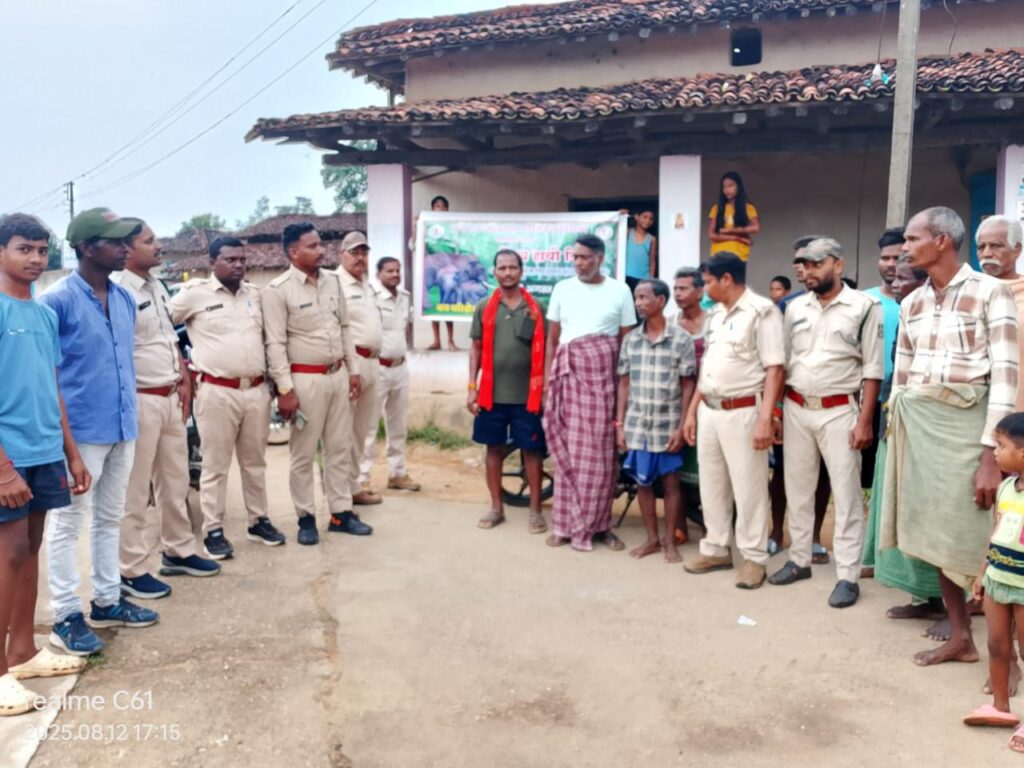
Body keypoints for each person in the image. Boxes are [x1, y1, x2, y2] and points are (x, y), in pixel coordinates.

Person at [881, 206, 1019, 667]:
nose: (905, 248)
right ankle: (962, 637)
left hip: (971, 430)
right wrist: (896, 435)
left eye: (912, 238)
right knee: (937, 533)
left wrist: (990, 455)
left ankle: (1007, 658)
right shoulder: (912, 303)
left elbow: (1005, 374)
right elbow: (902, 379)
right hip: (922, 432)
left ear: (941, 240)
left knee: (984, 540)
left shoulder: (991, 292)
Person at [40, 208, 159, 656]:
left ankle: (108, 600)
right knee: (68, 522)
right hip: (80, 432)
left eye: (128, 241)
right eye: (116, 242)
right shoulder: (56, 302)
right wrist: (66, 444)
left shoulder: (124, 298)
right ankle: (65, 614)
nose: (126, 248)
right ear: (87, 248)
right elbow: (48, 374)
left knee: (110, 517)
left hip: (122, 424)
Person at [0, 214, 89, 714]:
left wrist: (71, 453)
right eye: (24, 249)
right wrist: (4, 470)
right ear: (0, 253)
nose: (35, 259)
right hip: (7, 456)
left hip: (45, 451)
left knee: (30, 550)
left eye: (41, 250)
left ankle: (22, 651)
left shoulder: (43, 315)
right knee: (8, 554)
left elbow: (52, 388)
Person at [767, 238, 883, 608]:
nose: (809, 271)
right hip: (797, 407)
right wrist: (776, 412)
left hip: (839, 410)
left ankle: (848, 575)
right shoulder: (794, 307)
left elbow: (873, 370)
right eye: (805, 265)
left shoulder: (865, 307)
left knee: (846, 495)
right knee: (798, 487)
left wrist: (865, 421)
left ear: (838, 264)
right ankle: (799, 560)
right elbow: (783, 363)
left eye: (817, 264)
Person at [113, 220, 219, 597]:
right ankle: (129, 569)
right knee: (135, 489)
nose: (158, 245)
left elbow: (168, 338)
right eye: (149, 241)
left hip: (171, 395)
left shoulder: (157, 286)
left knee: (175, 480)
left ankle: (178, 550)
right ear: (126, 249)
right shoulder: (118, 290)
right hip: (140, 398)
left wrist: (184, 378)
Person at [169, 236, 286, 560]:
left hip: (256, 391)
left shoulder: (256, 296)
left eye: (242, 259)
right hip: (216, 391)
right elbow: (160, 327)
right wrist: (180, 365)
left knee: (255, 463)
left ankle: (258, 521)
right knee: (215, 466)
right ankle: (213, 530)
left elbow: (271, 340)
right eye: (230, 259)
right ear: (212, 263)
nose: (238, 265)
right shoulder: (194, 295)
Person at [682, 252, 784, 589]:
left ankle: (754, 558)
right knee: (712, 484)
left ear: (726, 279)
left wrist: (766, 418)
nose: (705, 288)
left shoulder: (761, 311)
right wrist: (693, 411)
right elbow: (708, 368)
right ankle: (716, 549)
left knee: (749, 486)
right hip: (710, 409)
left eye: (708, 282)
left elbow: (774, 369)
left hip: (743, 411)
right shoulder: (715, 314)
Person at [262, 223, 363, 545]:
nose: (321, 250)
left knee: (339, 448)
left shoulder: (333, 281)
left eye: (320, 244)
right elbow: (275, 343)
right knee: (303, 453)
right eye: (313, 246)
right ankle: (305, 518)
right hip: (305, 381)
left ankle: (341, 513)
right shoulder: (278, 290)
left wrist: (353, 370)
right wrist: (285, 390)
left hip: (338, 375)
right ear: (294, 252)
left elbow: (345, 328)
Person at [861, 259, 944, 619]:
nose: (894, 285)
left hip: (922, 427)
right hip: (893, 422)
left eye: (903, 279)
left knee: (922, 511)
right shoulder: (908, 314)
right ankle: (920, 597)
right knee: (896, 507)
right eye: (893, 279)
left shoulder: (934, 318)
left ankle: (941, 601)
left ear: (923, 282)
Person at [544, 233, 637, 552]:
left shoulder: (620, 290)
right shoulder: (562, 289)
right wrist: (548, 383)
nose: (578, 263)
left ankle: (601, 526)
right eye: (575, 257)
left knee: (600, 457)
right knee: (569, 453)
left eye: (584, 257)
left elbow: (625, 344)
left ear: (600, 258)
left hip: (603, 384)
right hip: (567, 381)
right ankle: (564, 526)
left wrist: (624, 389)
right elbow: (553, 340)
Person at [615, 279, 696, 562]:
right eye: (636, 298)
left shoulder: (681, 339)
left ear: (660, 301)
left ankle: (670, 541)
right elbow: (624, 383)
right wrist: (619, 424)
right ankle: (651, 539)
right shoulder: (631, 340)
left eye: (644, 297)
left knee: (672, 485)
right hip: (638, 424)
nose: (638, 303)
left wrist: (682, 425)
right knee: (643, 483)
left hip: (668, 423)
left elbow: (688, 385)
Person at [468, 249, 547, 533]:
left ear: (521, 271)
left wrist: (546, 389)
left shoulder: (536, 307)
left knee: (532, 451)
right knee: (494, 449)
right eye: (502, 268)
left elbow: (549, 349)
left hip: (529, 396)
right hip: (492, 395)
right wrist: (471, 387)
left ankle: (536, 511)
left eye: (513, 267)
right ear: (495, 272)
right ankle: (496, 507)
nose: (508, 273)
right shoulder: (484, 307)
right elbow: (476, 349)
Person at [769, 236, 831, 562]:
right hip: (791, 403)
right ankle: (776, 532)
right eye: (798, 261)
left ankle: (815, 537)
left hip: (829, 405)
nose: (802, 267)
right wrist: (775, 409)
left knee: (822, 475)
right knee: (782, 472)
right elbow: (777, 362)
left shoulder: (845, 300)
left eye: (809, 261)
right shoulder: (787, 305)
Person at [964, 413, 1024, 745]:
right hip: (999, 578)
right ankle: (1001, 707)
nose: (995, 453)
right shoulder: (1005, 489)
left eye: (1001, 446)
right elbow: (996, 532)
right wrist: (982, 573)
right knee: (997, 645)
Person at [359, 257, 420, 493]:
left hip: (400, 368)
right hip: (378, 367)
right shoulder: (371, 298)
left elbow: (406, 328)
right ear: (378, 275)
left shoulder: (404, 297)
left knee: (398, 425)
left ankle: (398, 474)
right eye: (389, 271)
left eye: (397, 270)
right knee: (369, 425)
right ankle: (362, 477)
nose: (395, 275)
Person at [336, 231, 385, 519]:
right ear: (341, 254)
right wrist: (348, 367)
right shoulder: (335, 283)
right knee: (342, 432)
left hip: (372, 362)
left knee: (361, 430)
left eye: (364, 252)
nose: (360, 258)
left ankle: (353, 486)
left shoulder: (368, 285)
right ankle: (340, 494)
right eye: (354, 252)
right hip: (350, 364)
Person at [860, 228, 904, 488]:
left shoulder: (916, 301)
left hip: (900, 399)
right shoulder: (863, 301)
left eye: (897, 258)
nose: (890, 264)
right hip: (866, 401)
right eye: (885, 258)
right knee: (863, 475)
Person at [671, 267, 708, 537]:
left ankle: (713, 528)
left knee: (709, 467)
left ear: (699, 291)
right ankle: (679, 524)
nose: (678, 294)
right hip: (677, 401)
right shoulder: (670, 323)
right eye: (675, 289)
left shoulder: (713, 322)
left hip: (708, 400)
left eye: (683, 289)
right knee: (678, 466)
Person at [977, 215, 1024, 411]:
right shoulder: (967, 293)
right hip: (973, 409)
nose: (987, 253)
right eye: (981, 247)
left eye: (996, 246)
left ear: (1017, 249)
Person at [427, 195, 458, 351]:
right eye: (437, 206)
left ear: (447, 209)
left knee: (447, 304)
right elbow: (413, 245)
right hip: (432, 271)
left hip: (448, 271)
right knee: (434, 304)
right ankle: (436, 341)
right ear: (432, 209)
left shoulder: (451, 228)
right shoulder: (427, 227)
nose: (440, 209)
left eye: (443, 206)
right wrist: (415, 225)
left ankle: (451, 341)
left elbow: (457, 247)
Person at [707, 171, 760, 262]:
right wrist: (737, 238)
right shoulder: (716, 208)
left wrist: (730, 230)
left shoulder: (748, 208)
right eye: (724, 187)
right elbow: (711, 235)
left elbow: (756, 228)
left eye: (730, 186)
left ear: (738, 187)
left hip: (739, 256)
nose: (727, 190)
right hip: (719, 256)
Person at [625, 208, 658, 291]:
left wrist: (651, 279)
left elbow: (652, 261)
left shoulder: (652, 239)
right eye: (645, 217)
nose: (648, 221)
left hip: (643, 278)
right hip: (626, 275)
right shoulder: (628, 232)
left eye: (651, 219)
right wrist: (619, 214)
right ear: (637, 217)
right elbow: (615, 226)